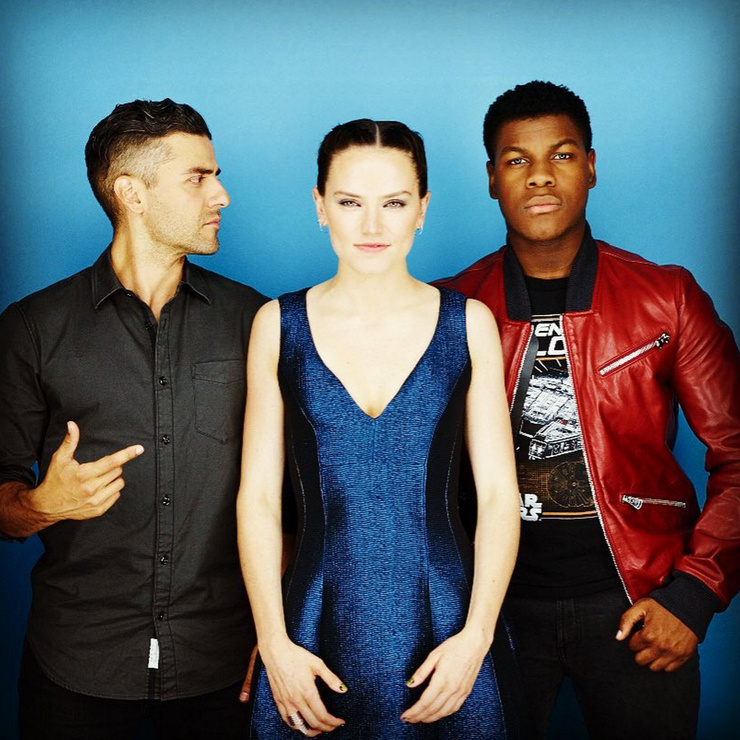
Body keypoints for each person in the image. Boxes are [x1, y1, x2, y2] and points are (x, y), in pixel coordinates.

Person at [436, 80, 740, 739]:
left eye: (563, 155)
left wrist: (695, 594)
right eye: (517, 160)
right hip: (487, 612)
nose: (540, 176)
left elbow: (738, 454)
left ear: (592, 166)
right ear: (491, 179)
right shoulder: (446, 309)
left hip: (638, 603)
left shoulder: (667, 298)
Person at [237, 119, 522, 739]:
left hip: (448, 630)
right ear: (320, 207)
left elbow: (501, 496)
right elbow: (257, 500)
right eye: (349, 203)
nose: (372, 226)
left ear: (423, 209)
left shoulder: (469, 324)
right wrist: (274, 642)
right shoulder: (277, 326)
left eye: (393, 203)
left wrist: (475, 636)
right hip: (310, 629)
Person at [0, 98, 267, 738]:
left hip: (223, 664)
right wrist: (42, 504)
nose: (222, 195)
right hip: (77, 665)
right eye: (198, 178)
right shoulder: (32, 328)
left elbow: (291, 493)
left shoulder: (256, 321)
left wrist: (280, 631)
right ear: (132, 193)